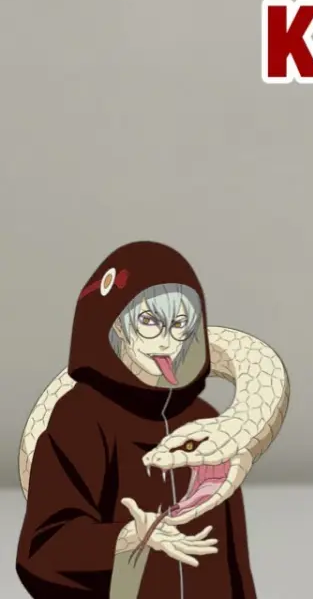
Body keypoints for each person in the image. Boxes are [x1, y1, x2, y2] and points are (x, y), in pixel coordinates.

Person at [16, 241, 258, 599]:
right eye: (149, 321)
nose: (168, 342)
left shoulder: (205, 420)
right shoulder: (80, 417)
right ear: (113, 324)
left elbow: (234, 559)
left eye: (180, 324)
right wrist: (128, 537)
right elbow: (44, 548)